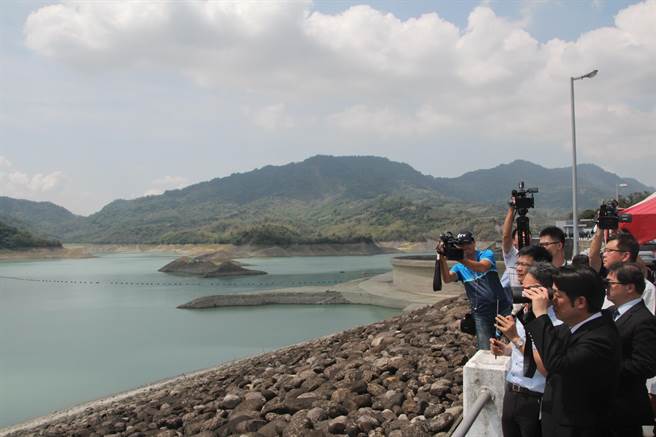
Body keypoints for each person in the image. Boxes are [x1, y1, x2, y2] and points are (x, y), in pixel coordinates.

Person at [523, 266, 622, 437]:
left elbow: (556, 363)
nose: (553, 300)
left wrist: (541, 314)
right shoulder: (572, 327)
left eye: (558, 296)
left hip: (579, 428)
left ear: (580, 302)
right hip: (558, 422)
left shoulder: (601, 337)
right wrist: (533, 312)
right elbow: (547, 342)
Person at [491, 262, 561, 437]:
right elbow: (522, 350)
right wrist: (506, 348)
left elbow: (546, 368)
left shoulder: (556, 324)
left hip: (535, 397)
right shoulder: (524, 313)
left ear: (546, 291)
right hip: (512, 391)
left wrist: (515, 338)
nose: (523, 293)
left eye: (530, 289)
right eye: (523, 287)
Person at [605, 262, 656, 437]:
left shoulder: (643, 320)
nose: (606, 288)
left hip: (624, 407)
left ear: (629, 287)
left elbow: (645, 365)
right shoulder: (610, 312)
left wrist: (603, 366)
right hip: (605, 406)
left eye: (611, 283)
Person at [437, 231, 511, 350]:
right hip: (480, 313)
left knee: (514, 341)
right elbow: (447, 278)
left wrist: (460, 258)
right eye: (461, 244)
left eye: (467, 243)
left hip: (501, 307)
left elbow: (482, 267)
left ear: (474, 242)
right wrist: (442, 257)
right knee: (485, 348)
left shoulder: (486, 254)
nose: (465, 247)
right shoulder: (459, 267)